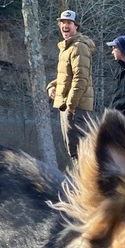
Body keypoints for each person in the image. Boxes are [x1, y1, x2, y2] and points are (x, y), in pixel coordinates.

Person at [46, 10, 95, 162]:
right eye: (62, 22)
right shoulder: (67, 47)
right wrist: (51, 86)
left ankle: (85, 185)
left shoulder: (78, 47)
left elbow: (81, 78)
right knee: (74, 151)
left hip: (75, 107)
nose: (65, 25)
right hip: (68, 105)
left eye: (69, 23)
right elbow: (66, 77)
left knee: (79, 151)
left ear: (76, 26)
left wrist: (71, 105)